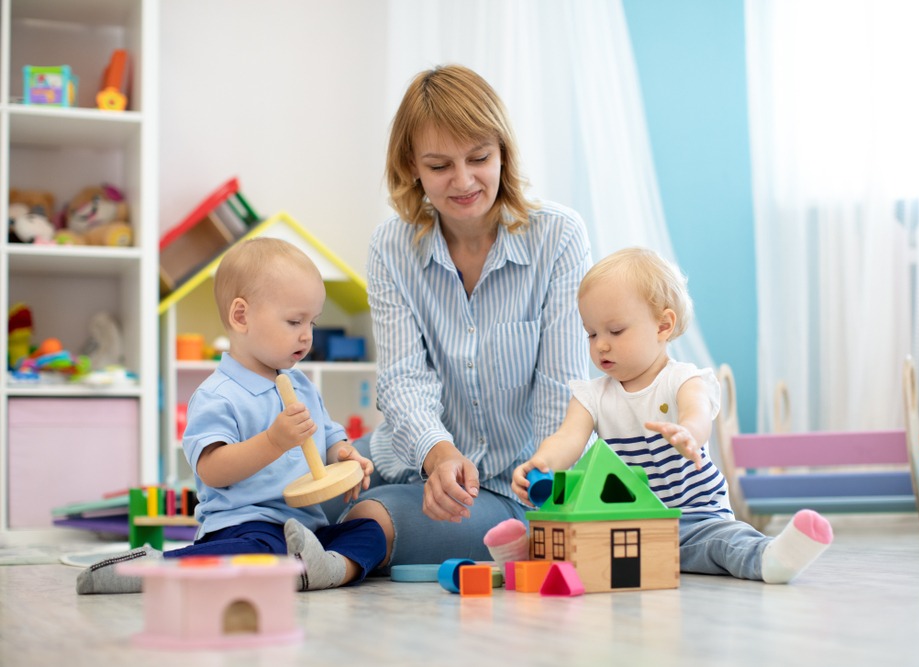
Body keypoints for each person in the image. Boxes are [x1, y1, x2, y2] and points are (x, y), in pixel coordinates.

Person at [335, 64, 592, 568]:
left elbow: (562, 393)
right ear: (411, 165)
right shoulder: (391, 247)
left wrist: (541, 492)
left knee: (373, 518)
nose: (464, 180)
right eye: (439, 166)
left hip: (510, 493)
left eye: (479, 158)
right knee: (283, 493)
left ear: (503, 152)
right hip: (405, 457)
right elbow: (403, 379)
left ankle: (327, 558)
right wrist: (439, 454)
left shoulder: (558, 237)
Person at [77, 237, 386, 594]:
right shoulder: (217, 395)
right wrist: (273, 441)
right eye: (294, 321)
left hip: (307, 528)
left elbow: (328, 436)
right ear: (241, 316)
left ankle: (326, 569)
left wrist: (343, 454)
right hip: (246, 524)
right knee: (260, 553)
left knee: (370, 531)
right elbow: (212, 469)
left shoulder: (300, 383)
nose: (307, 336)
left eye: (312, 323)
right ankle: (155, 568)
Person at [511, 247, 833, 584]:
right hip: (627, 522)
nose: (601, 345)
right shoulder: (592, 395)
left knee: (722, 542)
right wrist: (542, 463)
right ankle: (521, 556)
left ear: (663, 326)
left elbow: (698, 413)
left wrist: (688, 433)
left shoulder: (683, 379)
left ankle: (770, 558)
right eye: (591, 334)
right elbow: (568, 438)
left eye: (615, 331)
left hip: (694, 516)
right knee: (580, 541)